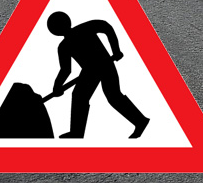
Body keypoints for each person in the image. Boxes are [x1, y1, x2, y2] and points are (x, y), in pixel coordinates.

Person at [47, 11, 149, 139]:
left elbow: (106, 27)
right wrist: (57, 86)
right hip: (89, 71)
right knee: (80, 96)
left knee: (112, 96)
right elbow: (66, 70)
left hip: (104, 64)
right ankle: (76, 132)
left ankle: (140, 121)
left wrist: (116, 50)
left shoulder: (83, 29)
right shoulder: (63, 46)